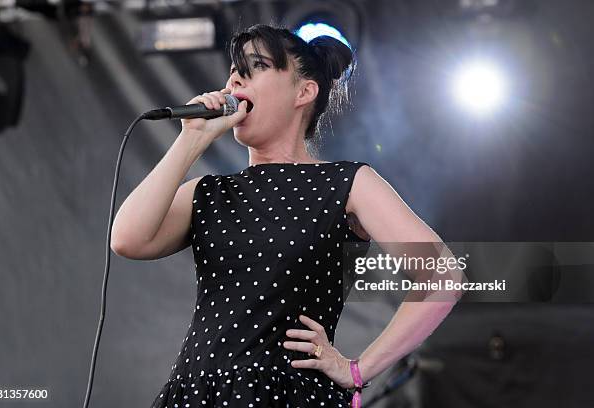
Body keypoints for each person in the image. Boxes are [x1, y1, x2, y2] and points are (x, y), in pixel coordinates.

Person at [111, 23, 461, 407]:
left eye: (257, 65)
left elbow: (444, 274)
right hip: (197, 392)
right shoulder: (208, 192)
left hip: (288, 395)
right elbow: (127, 239)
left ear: (304, 91)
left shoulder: (346, 183)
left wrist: (359, 370)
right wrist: (190, 138)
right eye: (234, 69)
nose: (236, 77)